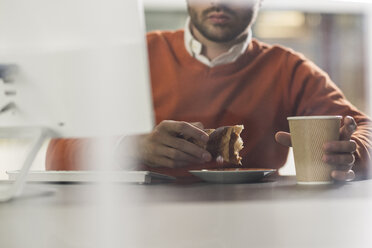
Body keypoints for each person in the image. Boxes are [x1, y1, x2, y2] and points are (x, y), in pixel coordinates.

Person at [46, 0, 372, 182]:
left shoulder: (289, 69)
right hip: (142, 229)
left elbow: (364, 129)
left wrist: (350, 152)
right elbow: (55, 151)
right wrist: (128, 148)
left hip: (257, 227)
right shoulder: (135, 56)